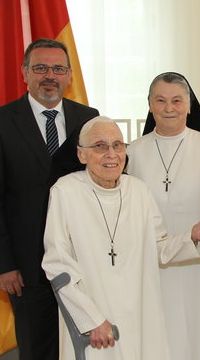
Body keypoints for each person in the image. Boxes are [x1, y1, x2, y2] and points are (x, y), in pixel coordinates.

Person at [41, 116, 200, 360]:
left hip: (140, 313)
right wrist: (91, 319)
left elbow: (159, 247)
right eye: (100, 146)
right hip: (94, 318)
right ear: (82, 155)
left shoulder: (138, 190)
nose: (111, 154)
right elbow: (58, 264)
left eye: (118, 145)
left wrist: (192, 237)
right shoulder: (65, 191)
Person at [126, 72, 200, 359]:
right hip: (154, 261)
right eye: (161, 100)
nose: (169, 108)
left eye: (177, 100)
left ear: (189, 105)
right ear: (150, 105)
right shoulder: (134, 151)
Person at [0, 38, 99, 360]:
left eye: (58, 69)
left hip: (82, 257)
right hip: (26, 264)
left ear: (69, 75)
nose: (49, 76)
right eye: (40, 68)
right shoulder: (2, 121)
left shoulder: (89, 118)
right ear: (24, 73)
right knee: (37, 347)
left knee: (85, 345)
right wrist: (5, 265)